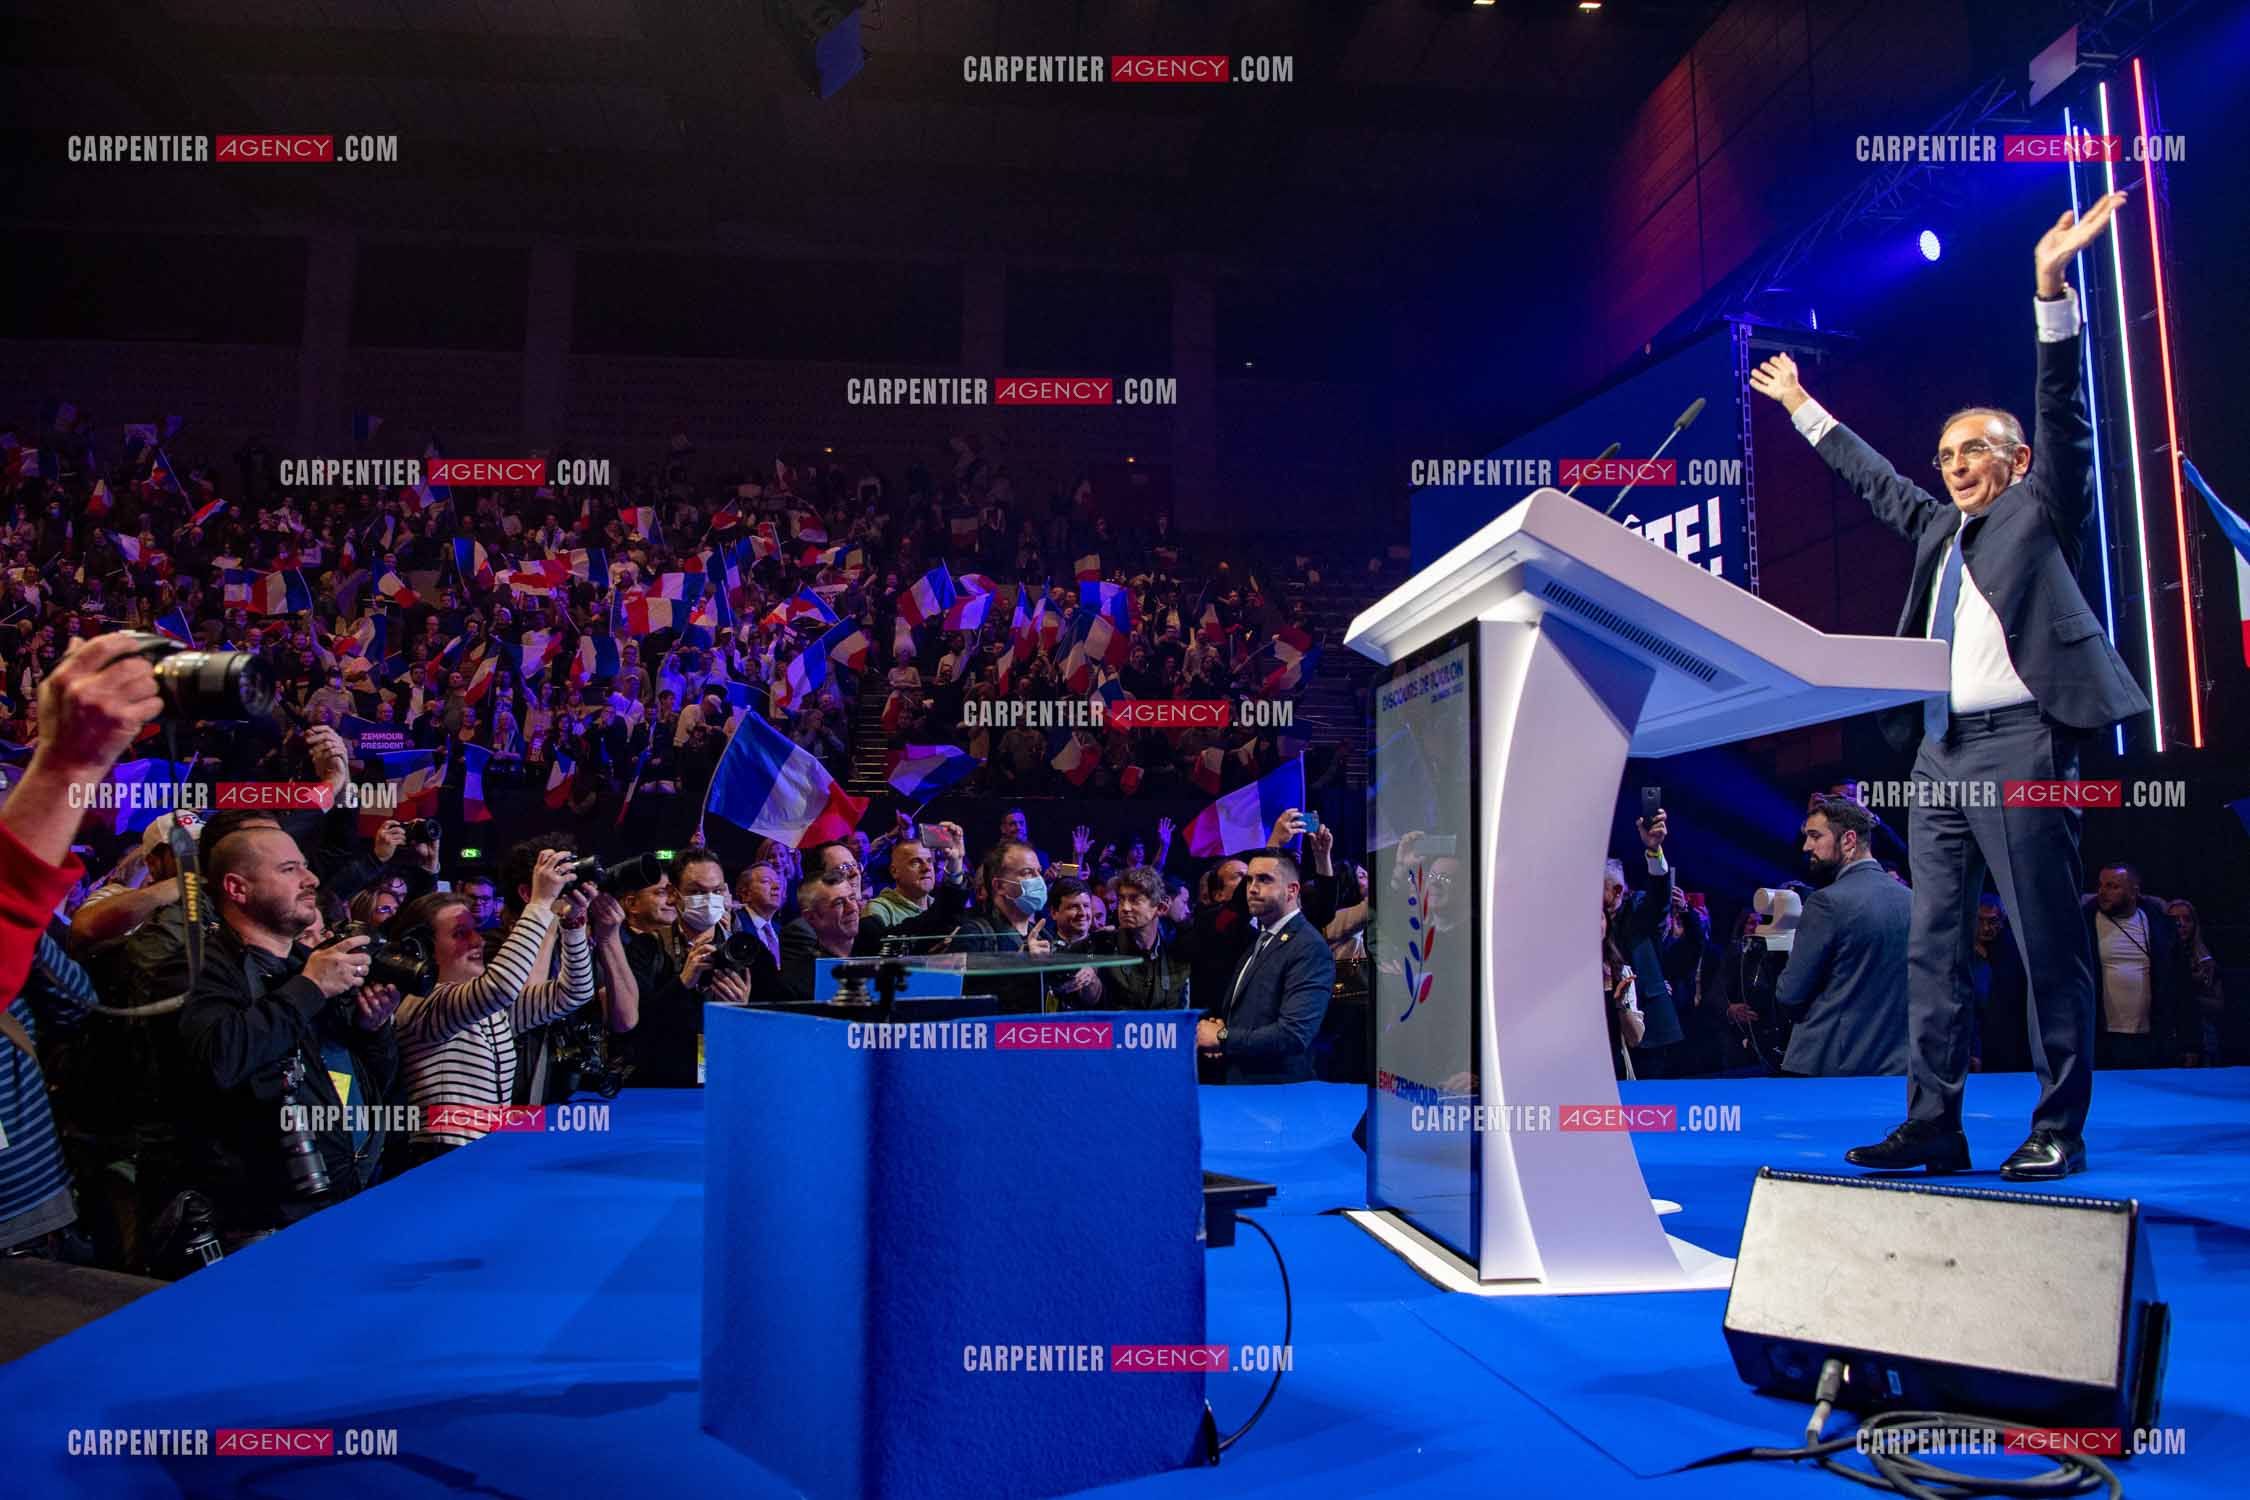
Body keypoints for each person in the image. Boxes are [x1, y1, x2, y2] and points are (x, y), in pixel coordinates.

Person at [1755, 192, 2144, 1181]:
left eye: (1975, 449)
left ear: (2013, 464)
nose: (1955, 464)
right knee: (1933, 950)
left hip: (2025, 744)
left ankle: (2059, 1123)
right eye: (1947, 453)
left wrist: (2049, 289)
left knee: (2048, 941)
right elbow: (1877, 480)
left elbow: (2064, 413)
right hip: (1939, 754)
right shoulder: (1938, 530)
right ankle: (1935, 1122)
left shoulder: (2040, 507)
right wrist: (1802, 404)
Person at [177, 824, 403, 1241]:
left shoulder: (308, 965)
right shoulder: (204, 968)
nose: (311, 878)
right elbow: (217, 1060)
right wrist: (310, 988)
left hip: (347, 1198)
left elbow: (374, 1087)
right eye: (288, 869)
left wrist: (373, 1032)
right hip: (264, 1226)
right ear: (237, 888)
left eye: (306, 866)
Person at [387, 850, 597, 1170]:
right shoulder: (424, 1004)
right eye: (460, 933)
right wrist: (540, 904)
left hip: (484, 1153)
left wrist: (573, 923)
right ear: (422, 947)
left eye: (474, 929)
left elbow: (574, 993)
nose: (478, 941)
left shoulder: (484, 1007)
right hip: (440, 1159)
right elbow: (501, 987)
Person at [1774, 796, 1912, 1078]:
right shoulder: (1913, 900)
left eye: (1815, 836)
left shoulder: (1826, 902)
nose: (1806, 847)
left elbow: (1790, 994)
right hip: (1896, 1066)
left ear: (1848, 840)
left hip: (1827, 1067)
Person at [1198, 851, 1334, 1084]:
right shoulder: (1261, 939)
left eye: (1264, 879)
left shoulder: (1309, 947)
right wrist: (1223, 1030)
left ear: (1292, 890)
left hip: (1278, 1098)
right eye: (1249, 879)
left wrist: (1222, 1037)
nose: (1252, 888)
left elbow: (1293, 1035)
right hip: (1245, 1089)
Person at [2083, 863, 2195, 1070]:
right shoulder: (2084, 923)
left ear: (2134, 891)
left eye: (2112, 886)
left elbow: (2182, 986)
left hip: (2151, 1039)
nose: (2102, 892)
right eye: (2101, 885)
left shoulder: (2160, 925)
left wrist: (2190, 1043)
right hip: (2101, 1039)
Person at [1602, 807, 1681, 1076]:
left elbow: (1660, 898)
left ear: (1617, 890)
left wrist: (1654, 850)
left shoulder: (1638, 910)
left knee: (1651, 1112)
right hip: (1604, 1031)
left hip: (1648, 1031)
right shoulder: (1583, 920)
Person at [1056, 865, 1188, 1012]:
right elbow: (1065, 960)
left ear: (1161, 908)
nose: (1124, 908)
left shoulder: (1175, 955)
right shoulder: (1101, 943)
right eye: (1121, 900)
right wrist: (1089, 966)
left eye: (1135, 900)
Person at [779, 872, 866, 1003]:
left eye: (852, 898)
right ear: (811, 917)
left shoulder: (879, 955)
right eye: (839, 903)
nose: (852, 908)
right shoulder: (797, 982)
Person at [2165, 899, 2225, 1064]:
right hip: (2167, 1035)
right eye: (2175, 920)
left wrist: (2189, 995)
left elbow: (2219, 1005)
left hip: (2202, 1033)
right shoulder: (2158, 958)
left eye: (2187, 919)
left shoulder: (2204, 959)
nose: (2181, 924)